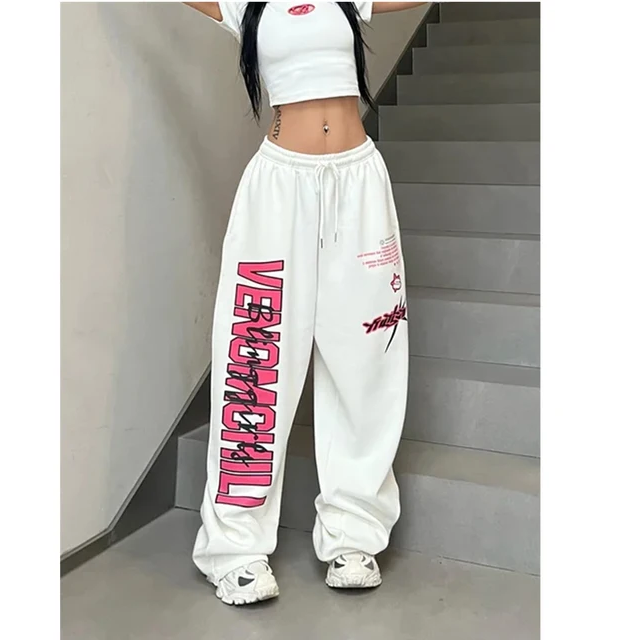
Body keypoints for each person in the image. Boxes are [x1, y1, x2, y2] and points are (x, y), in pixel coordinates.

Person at [183, 1, 426, 606]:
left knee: (367, 361)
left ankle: (353, 535)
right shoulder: (246, 5)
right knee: (255, 358)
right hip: (278, 189)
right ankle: (235, 549)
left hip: (359, 184)